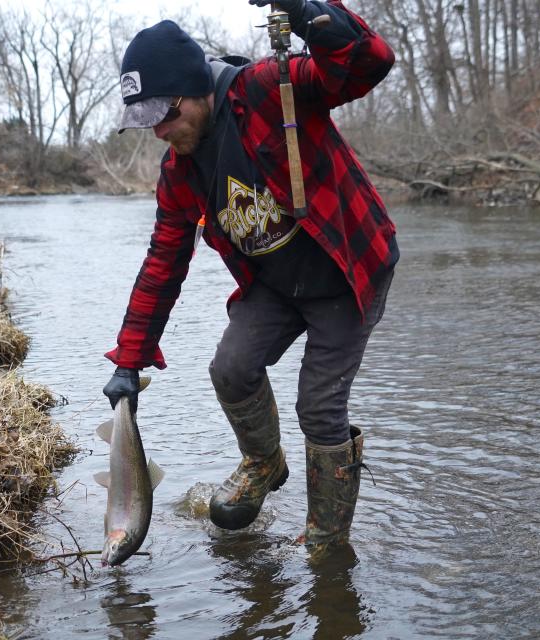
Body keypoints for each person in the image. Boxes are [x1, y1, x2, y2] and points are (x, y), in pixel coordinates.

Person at [103, 0, 398, 552]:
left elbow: (368, 62)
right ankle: (265, 463)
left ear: (196, 89)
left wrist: (312, 13)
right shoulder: (179, 172)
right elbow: (163, 263)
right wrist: (129, 359)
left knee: (319, 406)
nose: (160, 132)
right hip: (277, 283)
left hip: (345, 268)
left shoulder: (269, 90)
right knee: (231, 368)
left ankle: (327, 543)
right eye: (147, 122)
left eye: (166, 115)